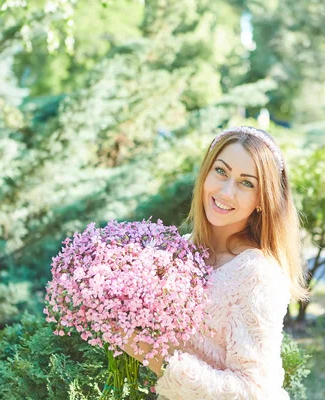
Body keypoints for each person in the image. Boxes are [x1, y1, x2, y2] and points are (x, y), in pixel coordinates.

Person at [122, 125, 310, 399]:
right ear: (206, 173)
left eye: (246, 183)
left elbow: (254, 392)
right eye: (221, 171)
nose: (226, 191)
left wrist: (149, 353)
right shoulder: (180, 249)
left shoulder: (259, 274)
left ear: (261, 199)